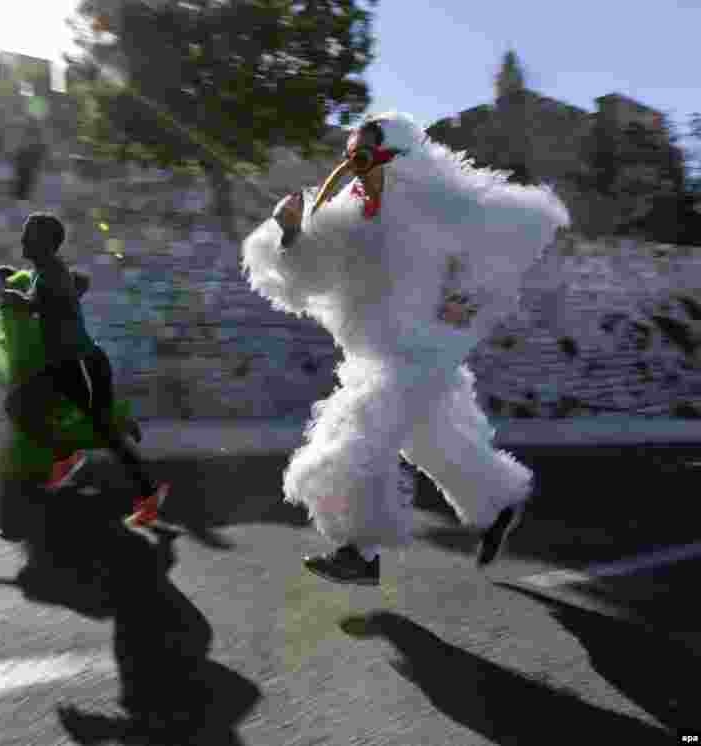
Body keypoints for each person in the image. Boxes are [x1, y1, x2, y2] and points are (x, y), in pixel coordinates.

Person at [242, 112, 570, 584]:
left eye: (364, 157)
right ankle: (500, 504)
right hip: (378, 354)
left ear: (395, 160)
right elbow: (308, 276)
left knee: (356, 438)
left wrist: (466, 296)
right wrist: (291, 231)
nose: (353, 168)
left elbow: (495, 251)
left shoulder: (435, 210)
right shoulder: (345, 219)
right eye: (349, 157)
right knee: (438, 444)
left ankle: (360, 552)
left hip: (421, 354)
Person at [0, 213, 169, 527]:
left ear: (45, 244)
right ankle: (66, 453)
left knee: (106, 432)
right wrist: (13, 285)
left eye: (28, 236)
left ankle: (148, 494)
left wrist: (17, 299)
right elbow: (60, 288)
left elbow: (47, 301)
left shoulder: (51, 273)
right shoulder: (46, 270)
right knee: (18, 405)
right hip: (60, 366)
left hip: (81, 364)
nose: (22, 240)